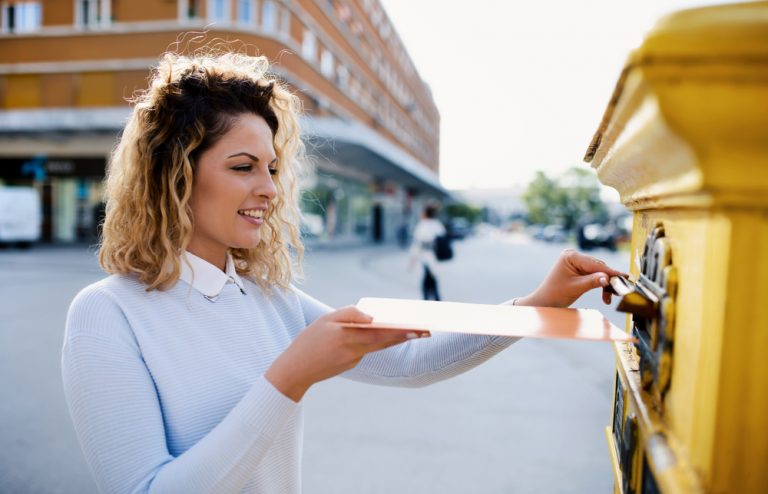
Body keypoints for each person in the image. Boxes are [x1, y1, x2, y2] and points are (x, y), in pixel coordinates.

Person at [61, 50, 623, 494]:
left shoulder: (269, 297)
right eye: (243, 167)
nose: (269, 188)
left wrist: (536, 305)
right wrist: (290, 377)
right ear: (174, 176)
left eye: (273, 168)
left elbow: (409, 360)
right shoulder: (106, 314)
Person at [408, 203, 446, 300]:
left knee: (428, 279)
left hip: (425, 255)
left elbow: (417, 244)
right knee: (431, 278)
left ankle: (429, 300)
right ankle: (436, 299)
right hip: (435, 255)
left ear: (425, 213)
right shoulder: (437, 224)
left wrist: (412, 260)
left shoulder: (422, 225)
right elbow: (443, 238)